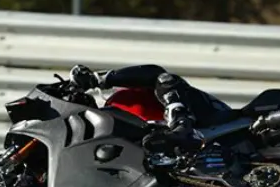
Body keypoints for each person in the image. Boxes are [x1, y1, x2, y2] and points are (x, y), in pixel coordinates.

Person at [67, 63, 231, 157]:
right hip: (183, 157)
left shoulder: (121, 99)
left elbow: (155, 72)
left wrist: (98, 79)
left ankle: (182, 125)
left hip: (211, 119)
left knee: (165, 79)